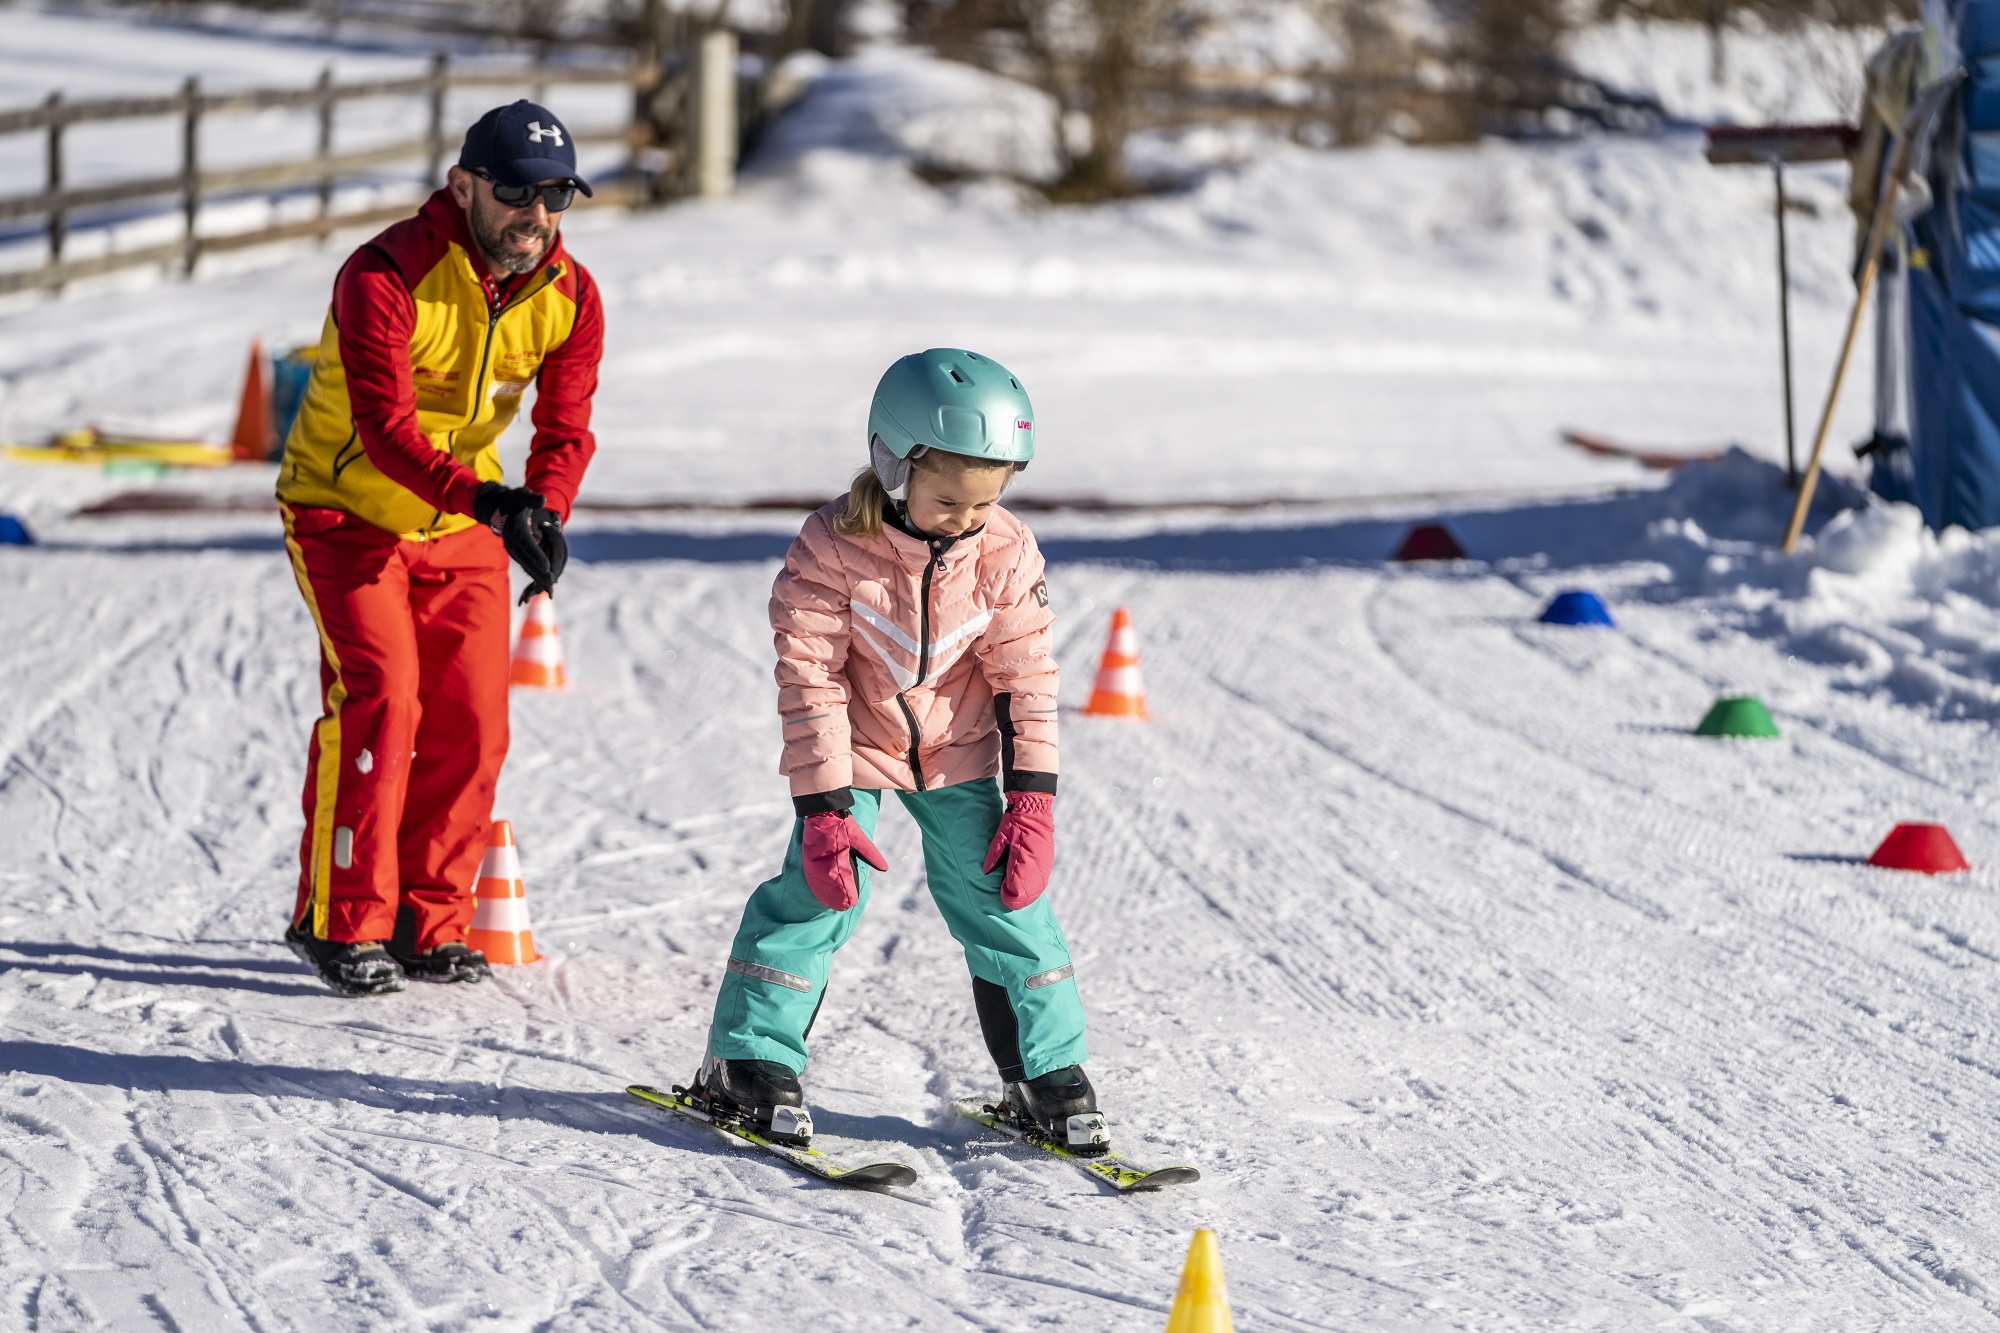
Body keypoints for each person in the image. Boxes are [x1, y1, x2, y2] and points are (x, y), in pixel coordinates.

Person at [688, 348, 1109, 1153]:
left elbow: (1027, 679)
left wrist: (1032, 800)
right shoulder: (831, 549)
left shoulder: (1006, 553)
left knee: (1008, 901)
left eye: (987, 500)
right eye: (950, 498)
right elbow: (808, 680)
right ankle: (748, 1062)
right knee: (816, 898)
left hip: (960, 752)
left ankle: (1048, 1074)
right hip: (855, 748)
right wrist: (824, 806)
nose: (968, 518)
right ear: (892, 462)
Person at [274, 100, 603, 996]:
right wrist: (494, 502)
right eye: (515, 192)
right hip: (345, 510)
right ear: (462, 188)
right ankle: (338, 920)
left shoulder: (569, 294)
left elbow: (566, 426)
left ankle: (430, 920)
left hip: (464, 519)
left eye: (557, 196)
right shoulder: (384, 274)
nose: (536, 215)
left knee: (474, 722)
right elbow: (384, 432)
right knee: (384, 698)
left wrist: (546, 509)